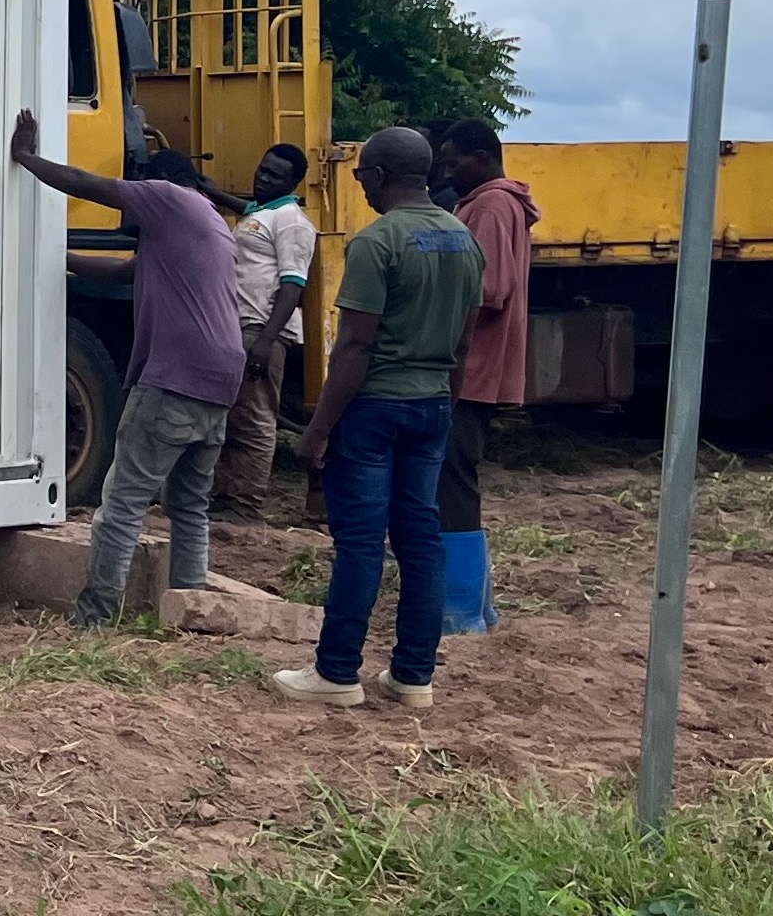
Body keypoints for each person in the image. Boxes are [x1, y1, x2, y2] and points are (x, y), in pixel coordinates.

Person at [269, 125, 482, 710]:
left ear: (382, 175)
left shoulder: (377, 242)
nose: (360, 187)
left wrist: (317, 432)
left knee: (360, 543)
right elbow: (464, 347)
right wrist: (446, 407)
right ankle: (413, 678)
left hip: (375, 410)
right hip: (433, 403)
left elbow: (356, 349)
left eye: (363, 176)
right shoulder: (465, 240)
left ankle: (336, 673)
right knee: (421, 541)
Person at [8, 110, 245, 624]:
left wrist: (26, 160)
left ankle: (94, 616)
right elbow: (121, 271)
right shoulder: (209, 229)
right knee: (189, 505)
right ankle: (190, 606)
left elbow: (86, 185)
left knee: (122, 503)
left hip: (174, 378)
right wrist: (57, 258)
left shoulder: (168, 198)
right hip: (219, 381)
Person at [435, 119, 537, 634]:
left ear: (482, 156)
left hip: (470, 367)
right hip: (471, 365)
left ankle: (462, 611)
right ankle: (475, 604)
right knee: (453, 477)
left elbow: (490, 288)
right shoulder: (491, 203)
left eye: (454, 161)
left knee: (454, 479)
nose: (447, 171)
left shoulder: (493, 205)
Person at [218, 142, 314, 520]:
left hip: (261, 329)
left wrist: (267, 340)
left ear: (292, 183)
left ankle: (246, 505)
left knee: (255, 418)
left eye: (274, 175)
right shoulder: (262, 211)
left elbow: (293, 283)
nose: (263, 177)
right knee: (232, 415)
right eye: (262, 168)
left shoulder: (292, 221)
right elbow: (250, 214)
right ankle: (225, 497)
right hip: (240, 324)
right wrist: (212, 191)